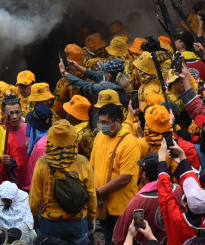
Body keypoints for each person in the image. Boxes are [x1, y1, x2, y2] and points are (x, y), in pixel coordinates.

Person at [29, 120, 95, 245]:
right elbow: (91, 195)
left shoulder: (42, 163)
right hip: (77, 221)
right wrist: (91, 219)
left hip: (50, 222)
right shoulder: (83, 162)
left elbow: (34, 198)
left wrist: (34, 219)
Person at [90, 104, 140, 245]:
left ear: (117, 122)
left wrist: (98, 192)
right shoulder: (99, 137)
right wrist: (95, 192)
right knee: (108, 240)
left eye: (105, 123)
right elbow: (92, 166)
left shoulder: (130, 143)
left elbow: (125, 178)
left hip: (121, 207)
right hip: (102, 205)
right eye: (100, 122)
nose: (101, 126)